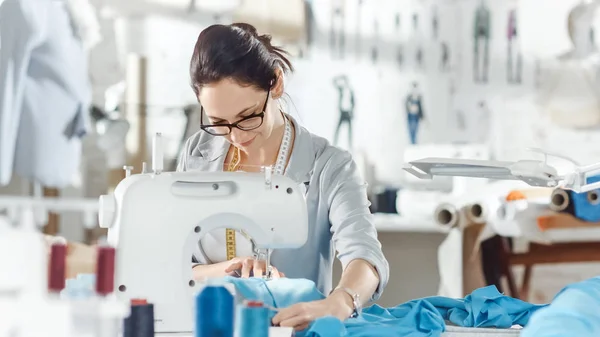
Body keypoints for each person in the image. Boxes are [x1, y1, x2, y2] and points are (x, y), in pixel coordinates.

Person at [179, 23, 389, 330]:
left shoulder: (329, 166)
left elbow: (366, 257)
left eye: (247, 117)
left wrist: (341, 301)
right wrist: (227, 270)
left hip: (290, 329)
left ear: (275, 83)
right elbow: (175, 260)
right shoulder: (197, 153)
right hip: (207, 325)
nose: (235, 136)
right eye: (219, 123)